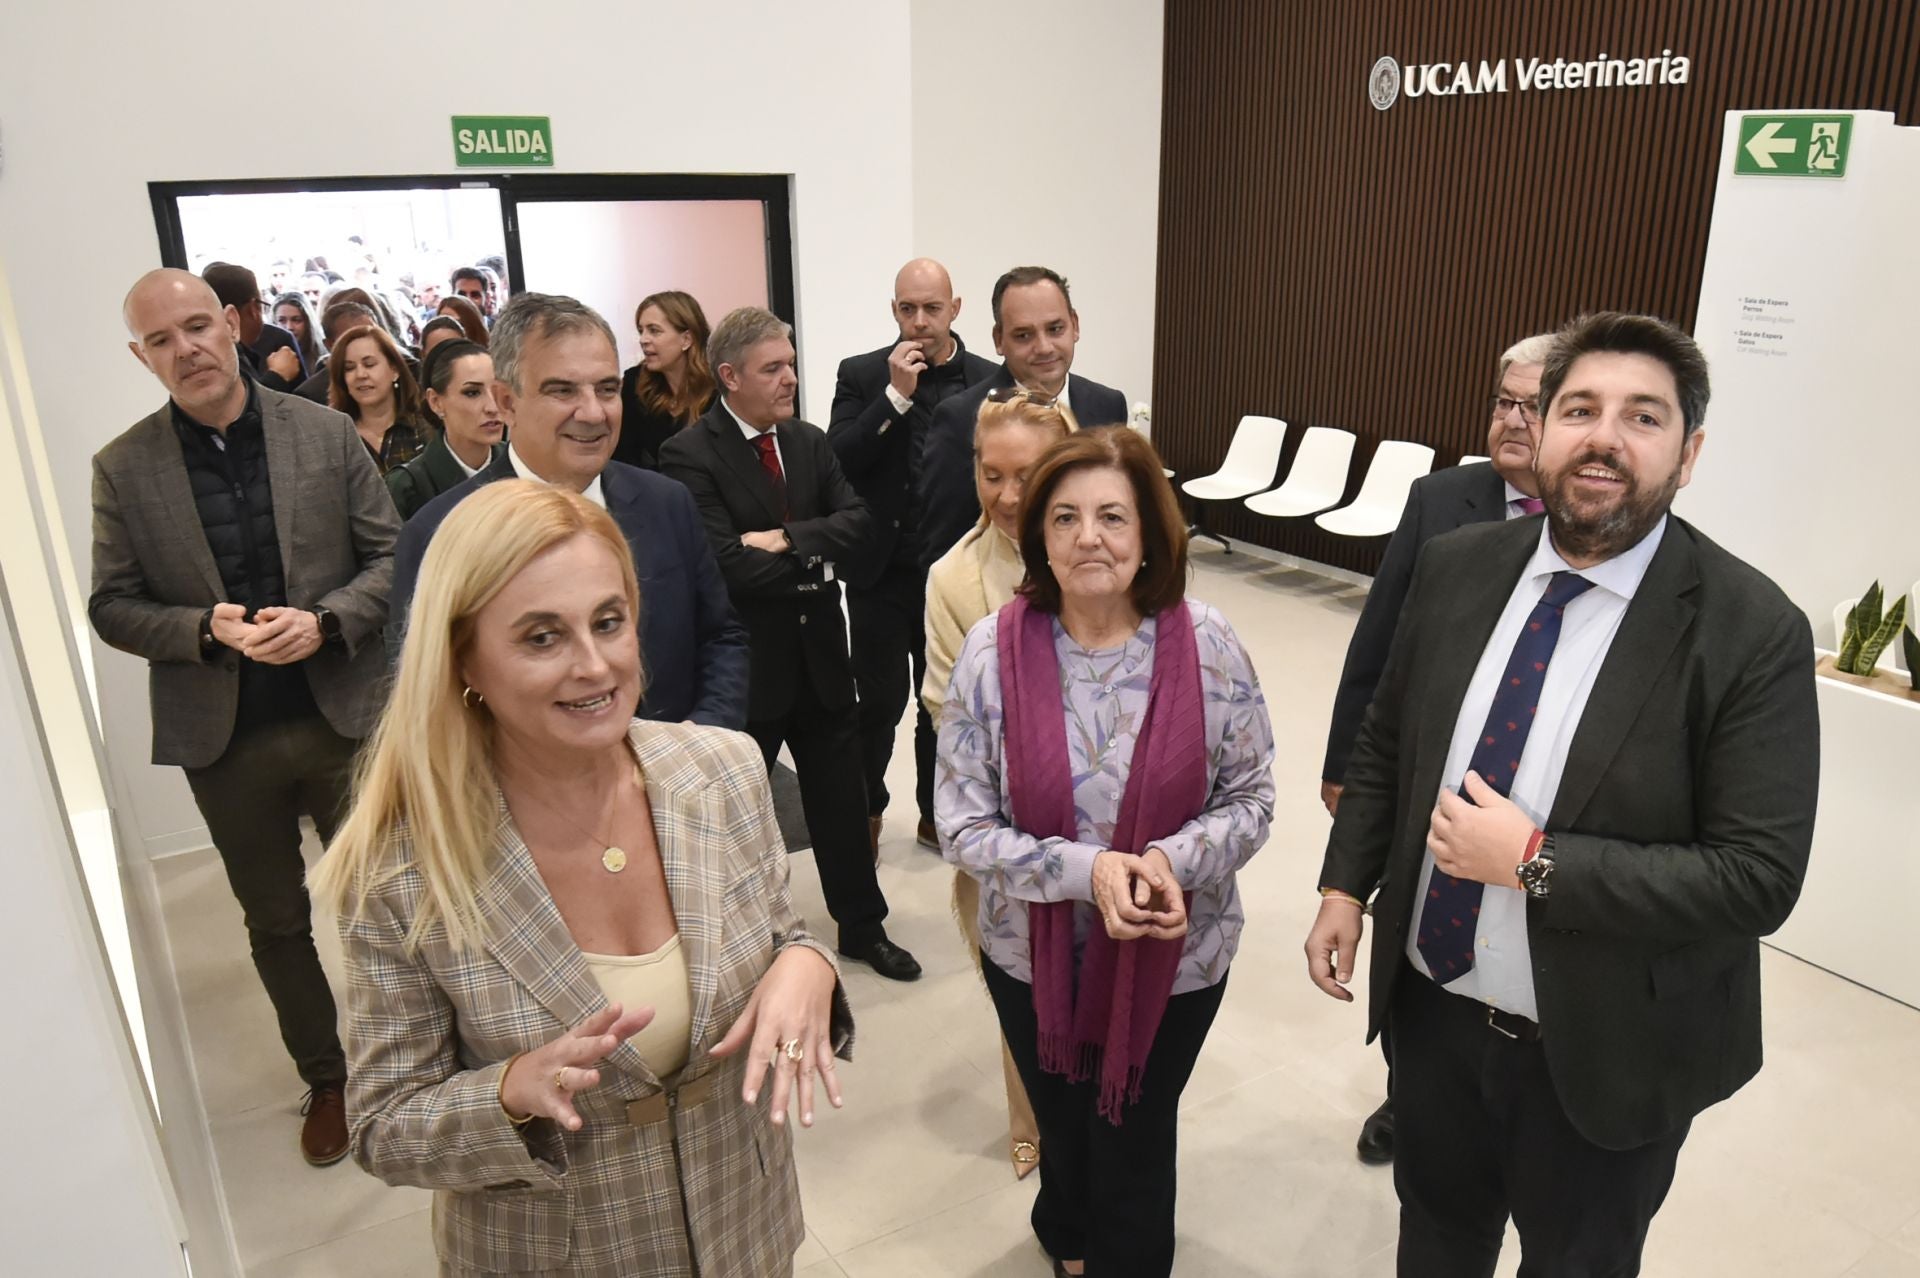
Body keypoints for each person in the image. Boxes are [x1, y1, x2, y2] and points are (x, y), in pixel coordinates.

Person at [1304, 312, 1818, 1277]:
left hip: (1603, 1050)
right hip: (1436, 1013)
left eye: (1643, 416)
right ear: (1538, 430)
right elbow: (1390, 739)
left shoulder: (1750, 630)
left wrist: (1537, 863)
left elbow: (1758, 878)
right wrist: (1345, 885)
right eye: (1578, 408)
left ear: (1689, 452)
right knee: (1438, 1238)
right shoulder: (1460, 567)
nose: (1604, 437)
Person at [312, 480, 851, 1277]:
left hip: (747, 1232)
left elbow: (783, 940)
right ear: (463, 659)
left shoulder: (725, 772)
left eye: (609, 622)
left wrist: (810, 966)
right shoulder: (399, 870)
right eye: (540, 638)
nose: (594, 665)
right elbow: (384, 1125)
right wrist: (506, 1093)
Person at [937, 426, 1274, 1277]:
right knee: (1064, 1119)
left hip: (1176, 953)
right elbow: (962, 827)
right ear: (1037, 535)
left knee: (1131, 1134)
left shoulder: (1208, 643)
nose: (1089, 537)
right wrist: (1090, 872)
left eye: (1113, 517)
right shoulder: (993, 651)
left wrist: (1168, 863)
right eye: (1066, 517)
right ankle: (1069, 1232)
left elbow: (1251, 797)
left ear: (1150, 533)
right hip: (1030, 953)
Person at [90, 268, 399, 1168]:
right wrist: (198, 627)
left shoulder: (327, 432)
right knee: (276, 922)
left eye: (197, 326)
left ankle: (411, 1050)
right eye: (161, 340)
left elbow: (391, 559)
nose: (185, 349)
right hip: (224, 743)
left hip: (344, 717)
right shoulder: (123, 466)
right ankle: (328, 1075)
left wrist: (330, 619)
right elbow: (110, 605)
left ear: (231, 326)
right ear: (143, 358)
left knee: (390, 898)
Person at [1319, 331, 1556, 1167]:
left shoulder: (1595, 524)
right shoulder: (1441, 498)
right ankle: (1406, 1091)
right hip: (1428, 771)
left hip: (1533, 793)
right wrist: (1343, 763)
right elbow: (1378, 639)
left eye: (1535, 404)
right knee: (1415, 930)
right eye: (1504, 400)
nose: (1514, 419)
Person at [660, 306, 922, 983]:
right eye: (773, 368)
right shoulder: (689, 454)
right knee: (743, 820)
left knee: (841, 802)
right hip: (751, 668)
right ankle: (744, 944)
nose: (790, 379)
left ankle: (863, 926)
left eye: (792, 364)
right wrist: (817, 557)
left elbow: (860, 524)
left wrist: (791, 541)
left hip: (823, 662)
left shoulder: (806, 441)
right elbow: (725, 564)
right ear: (730, 376)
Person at [392, 292, 750, 730]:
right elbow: (425, 698)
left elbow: (721, 636)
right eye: (562, 390)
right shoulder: (439, 533)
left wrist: (702, 734)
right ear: (506, 403)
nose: (593, 412)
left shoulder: (667, 503)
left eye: (607, 389)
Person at [922, 388, 1070, 1178]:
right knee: (1022, 993)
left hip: (1112, 832)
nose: (1010, 496)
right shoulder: (954, 579)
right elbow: (954, 725)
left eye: (1030, 474)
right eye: (991, 475)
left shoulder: (1114, 554)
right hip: (1008, 835)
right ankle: (1030, 1120)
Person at [829, 257, 997, 856]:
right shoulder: (862, 374)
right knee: (877, 704)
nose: (920, 321)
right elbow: (841, 459)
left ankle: (936, 813)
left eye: (932, 308)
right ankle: (868, 808)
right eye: (908, 309)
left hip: (955, 575)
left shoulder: (991, 380)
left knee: (946, 704)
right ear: (893, 310)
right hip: (880, 572)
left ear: (955, 309)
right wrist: (895, 398)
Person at [918, 266, 1128, 569]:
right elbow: (941, 548)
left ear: (1075, 325)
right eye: (1024, 335)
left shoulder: (1107, 405)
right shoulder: (960, 418)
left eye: (1055, 329)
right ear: (999, 339)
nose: (1043, 347)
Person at [386, 340, 507, 521]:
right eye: (472, 393)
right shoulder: (409, 486)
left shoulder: (522, 462)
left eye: (498, 391)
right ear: (435, 402)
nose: (492, 407)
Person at [614, 290, 717, 472]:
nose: (643, 340)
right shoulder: (635, 384)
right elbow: (623, 459)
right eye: (641, 331)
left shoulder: (720, 390)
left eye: (654, 331)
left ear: (686, 339)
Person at [327, 324, 428, 475]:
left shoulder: (424, 425)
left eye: (369, 364)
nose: (360, 374)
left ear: (394, 370)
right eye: (349, 368)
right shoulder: (334, 437)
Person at [203, 261, 305, 386]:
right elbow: (247, 404)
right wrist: (278, 376)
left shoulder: (200, 353)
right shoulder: (225, 359)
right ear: (253, 309)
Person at [273, 290, 328, 376]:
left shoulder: (322, 359)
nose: (289, 327)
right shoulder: (265, 355)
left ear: (308, 323)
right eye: (282, 320)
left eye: (296, 320)